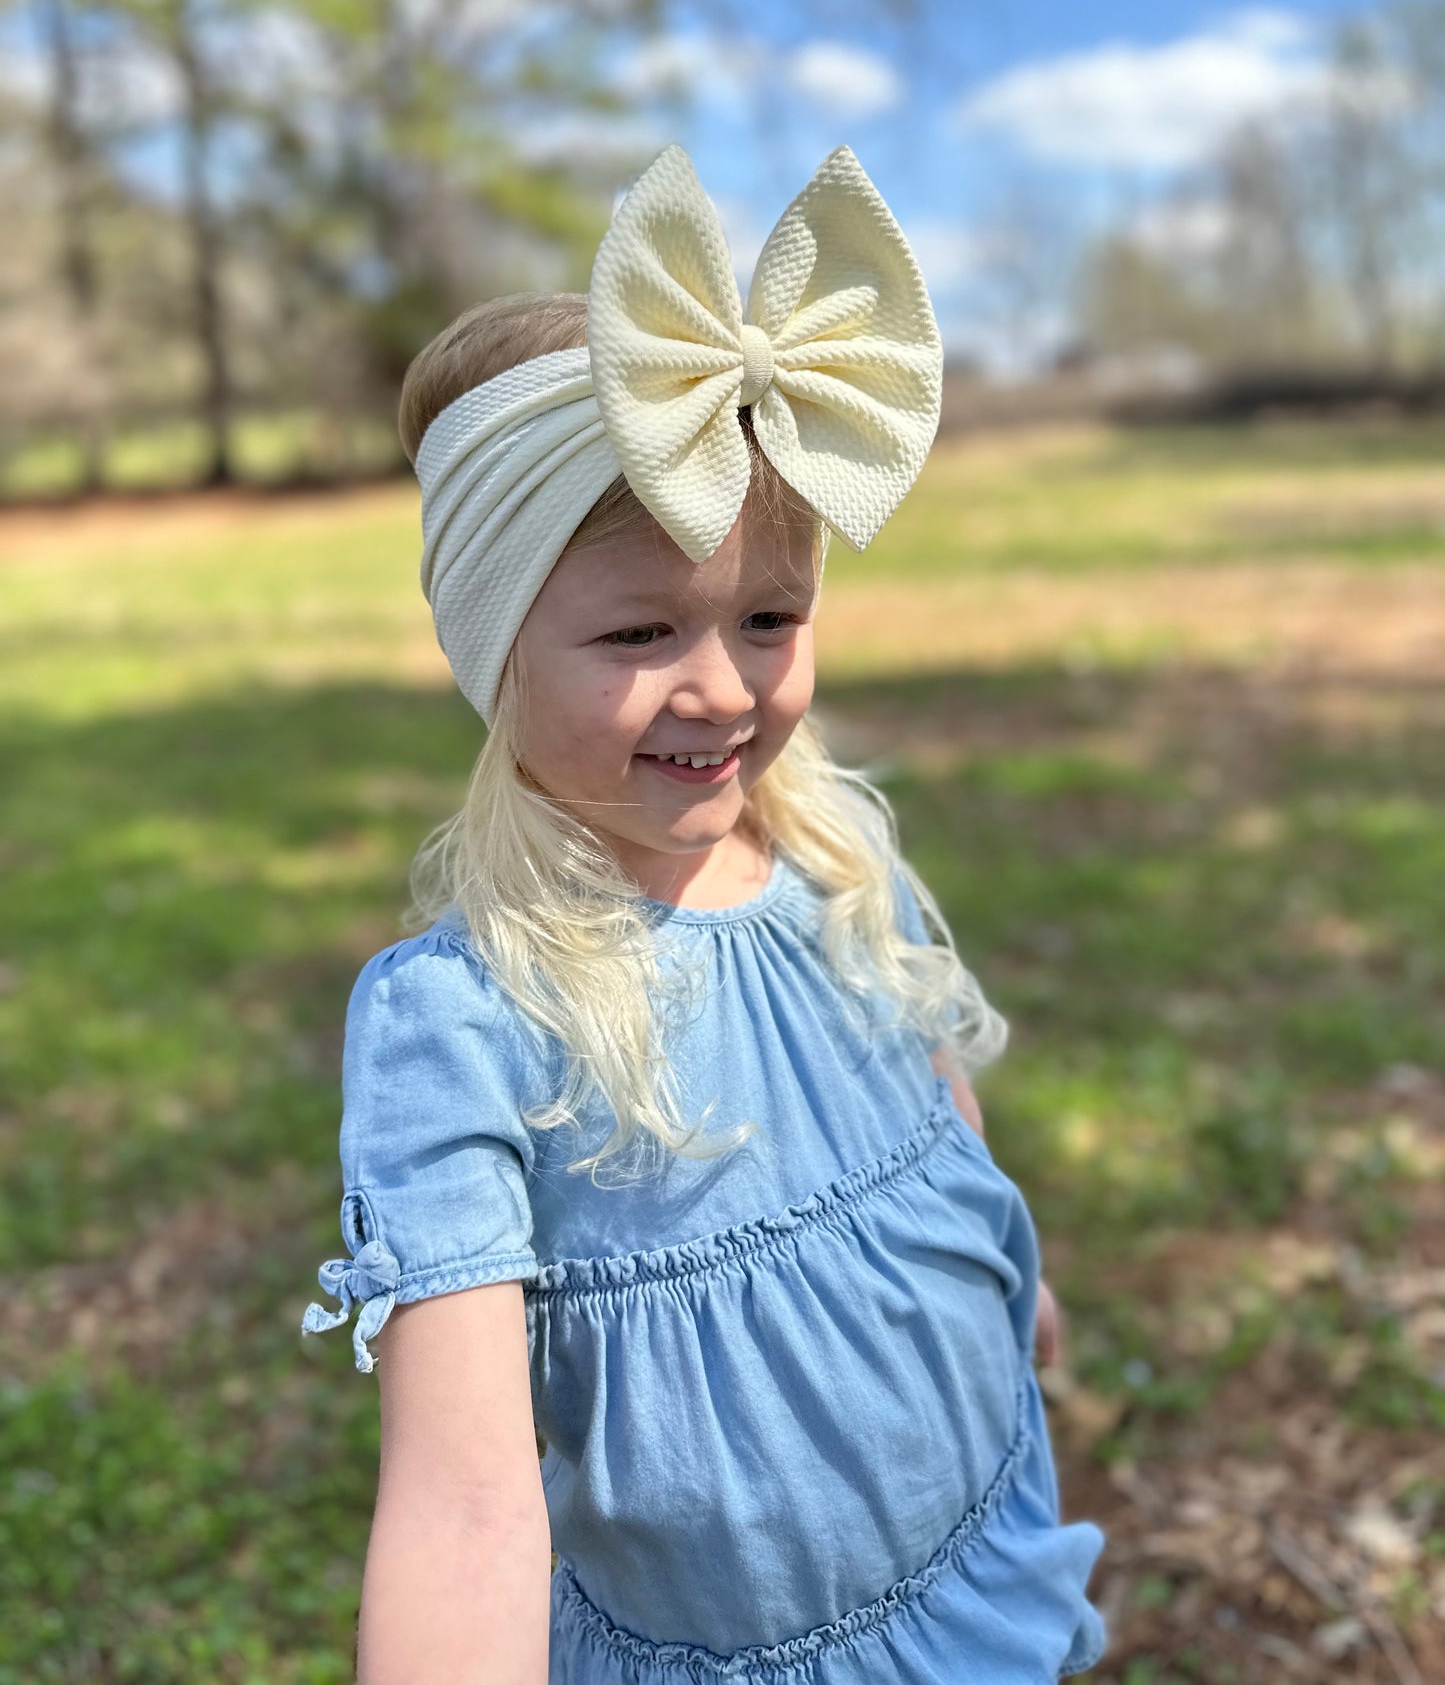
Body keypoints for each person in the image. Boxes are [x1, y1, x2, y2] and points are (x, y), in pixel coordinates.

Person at [301, 143, 1108, 1683]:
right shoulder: (458, 1020)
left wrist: (1013, 1276)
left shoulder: (832, 854)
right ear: (494, 652)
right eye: (638, 629)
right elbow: (465, 1507)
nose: (724, 688)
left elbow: (928, 1099)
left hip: (969, 1562)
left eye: (768, 617)